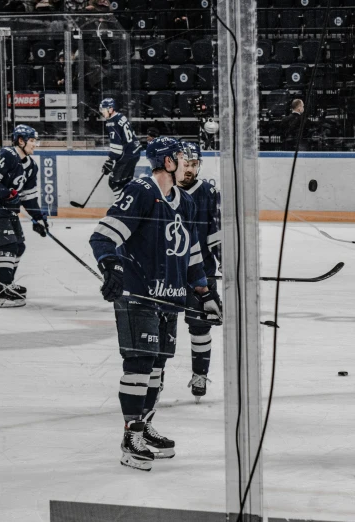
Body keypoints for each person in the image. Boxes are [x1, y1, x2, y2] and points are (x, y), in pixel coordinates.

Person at [89, 136, 222, 471]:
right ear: (167, 162)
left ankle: (144, 424)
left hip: (171, 296)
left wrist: (205, 293)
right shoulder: (141, 190)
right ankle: (130, 437)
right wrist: (112, 266)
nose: (187, 164)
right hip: (139, 294)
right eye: (181, 157)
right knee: (139, 363)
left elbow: (191, 254)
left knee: (157, 368)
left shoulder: (186, 203)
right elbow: (104, 236)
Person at [0, 124, 49, 308]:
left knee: (19, 246)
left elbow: (29, 197)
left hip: (7, 208)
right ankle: (3, 293)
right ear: (20, 140)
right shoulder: (6, 154)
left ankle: (7, 285)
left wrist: (39, 219)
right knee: (8, 246)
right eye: (32, 141)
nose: (35, 144)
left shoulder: (31, 166)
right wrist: (9, 194)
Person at [178, 141, 222, 402]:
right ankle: (155, 377)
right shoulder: (164, 189)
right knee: (163, 327)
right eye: (187, 164)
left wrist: (225, 263)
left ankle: (199, 374)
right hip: (170, 271)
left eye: (194, 165)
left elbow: (215, 230)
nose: (190, 170)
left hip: (202, 271)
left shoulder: (207, 191)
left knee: (200, 325)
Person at [99, 98, 142, 200]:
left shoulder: (111, 123)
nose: (102, 112)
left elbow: (117, 149)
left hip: (127, 155)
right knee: (126, 182)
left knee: (114, 182)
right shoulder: (121, 116)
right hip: (135, 152)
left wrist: (109, 161)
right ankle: (131, 205)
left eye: (103, 110)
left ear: (111, 109)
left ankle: (120, 207)